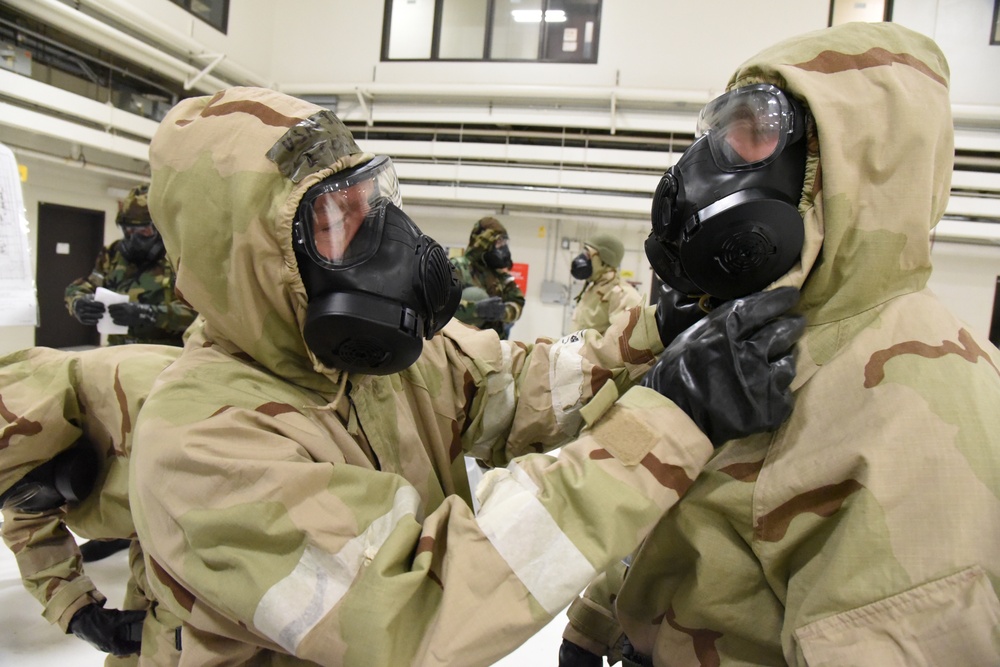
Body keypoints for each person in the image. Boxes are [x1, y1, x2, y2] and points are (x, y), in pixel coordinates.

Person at [126, 86, 802, 666]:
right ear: (249, 261)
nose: (382, 237)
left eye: (368, 199)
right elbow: (419, 600)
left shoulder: (375, 365)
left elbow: (516, 385)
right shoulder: (200, 444)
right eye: (336, 221)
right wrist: (668, 420)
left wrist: (656, 328)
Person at [559, 22, 1000, 666]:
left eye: (754, 133)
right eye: (721, 134)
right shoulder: (749, 339)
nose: (711, 167)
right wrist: (597, 617)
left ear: (853, 161)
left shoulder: (923, 402)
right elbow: (674, 514)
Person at [0, 344, 183, 666]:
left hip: (224, 543)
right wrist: (79, 612)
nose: (27, 503)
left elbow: (231, 541)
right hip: (161, 543)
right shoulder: (19, 450)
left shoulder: (156, 401)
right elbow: (28, 523)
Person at [65, 183, 198, 347]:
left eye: (144, 231)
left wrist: (147, 314)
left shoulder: (181, 257)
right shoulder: (113, 253)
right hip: (118, 351)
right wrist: (78, 302)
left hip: (164, 354)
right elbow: (86, 285)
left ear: (161, 228)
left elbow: (197, 314)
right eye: (129, 230)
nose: (134, 239)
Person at [450, 216, 525, 339]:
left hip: (494, 345)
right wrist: (475, 309)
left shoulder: (500, 275)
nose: (503, 248)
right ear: (484, 243)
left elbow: (517, 302)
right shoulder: (458, 267)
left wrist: (502, 311)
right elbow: (442, 304)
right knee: (475, 294)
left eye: (505, 243)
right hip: (461, 342)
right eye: (499, 243)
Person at [570, 233, 645, 334]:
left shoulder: (623, 295)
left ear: (604, 259)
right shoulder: (595, 288)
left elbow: (621, 342)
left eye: (588, 254)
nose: (582, 259)